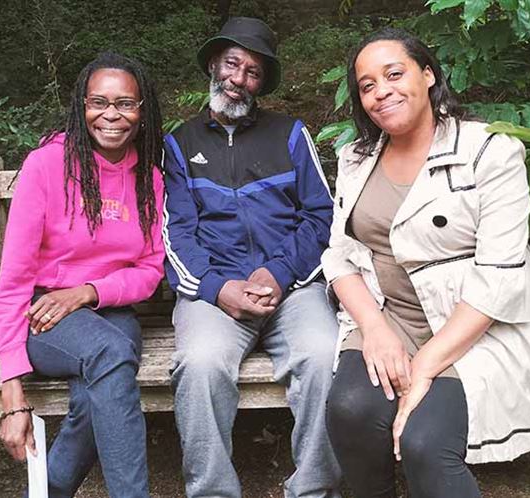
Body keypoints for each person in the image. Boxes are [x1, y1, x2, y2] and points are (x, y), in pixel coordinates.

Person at [321, 28, 530, 498]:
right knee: (351, 409)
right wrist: (375, 330)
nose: (381, 92)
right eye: (367, 85)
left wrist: (425, 367)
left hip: (475, 327)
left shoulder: (488, 152)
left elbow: (498, 278)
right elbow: (340, 255)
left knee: (425, 443)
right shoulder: (356, 158)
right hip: (390, 316)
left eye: (394, 74)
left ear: (428, 74)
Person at [162, 16, 342, 498]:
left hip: (293, 288)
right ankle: (213, 492)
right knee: (199, 363)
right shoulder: (180, 144)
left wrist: (278, 272)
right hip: (213, 292)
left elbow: (321, 216)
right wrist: (219, 288)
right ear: (213, 66)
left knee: (325, 356)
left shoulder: (290, 134)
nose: (239, 79)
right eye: (231, 64)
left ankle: (314, 490)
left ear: (262, 83)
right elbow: (175, 232)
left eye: (253, 72)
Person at [0, 52, 165, 498]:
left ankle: (46, 490)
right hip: (43, 315)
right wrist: (13, 393)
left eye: (125, 103)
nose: (111, 115)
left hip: (109, 307)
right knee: (111, 352)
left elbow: (149, 270)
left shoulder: (148, 176)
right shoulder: (46, 166)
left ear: (142, 110)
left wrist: (87, 292)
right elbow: (13, 279)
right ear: (81, 106)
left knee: (102, 376)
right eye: (98, 102)